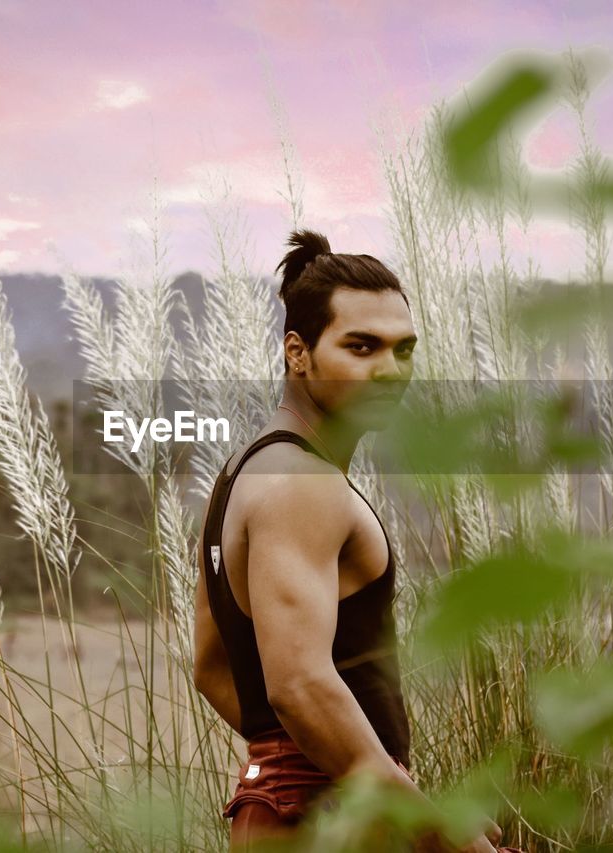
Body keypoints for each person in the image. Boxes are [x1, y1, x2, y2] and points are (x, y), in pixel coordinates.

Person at [193, 229, 505, 852]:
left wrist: (303, 768)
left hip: (295, 812)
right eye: (361, 347)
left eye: (403, 350)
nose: (389, 372)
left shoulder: (242, 472)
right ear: (297, 353)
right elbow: (300, 685)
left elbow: (211, 668)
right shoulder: (302, 483)